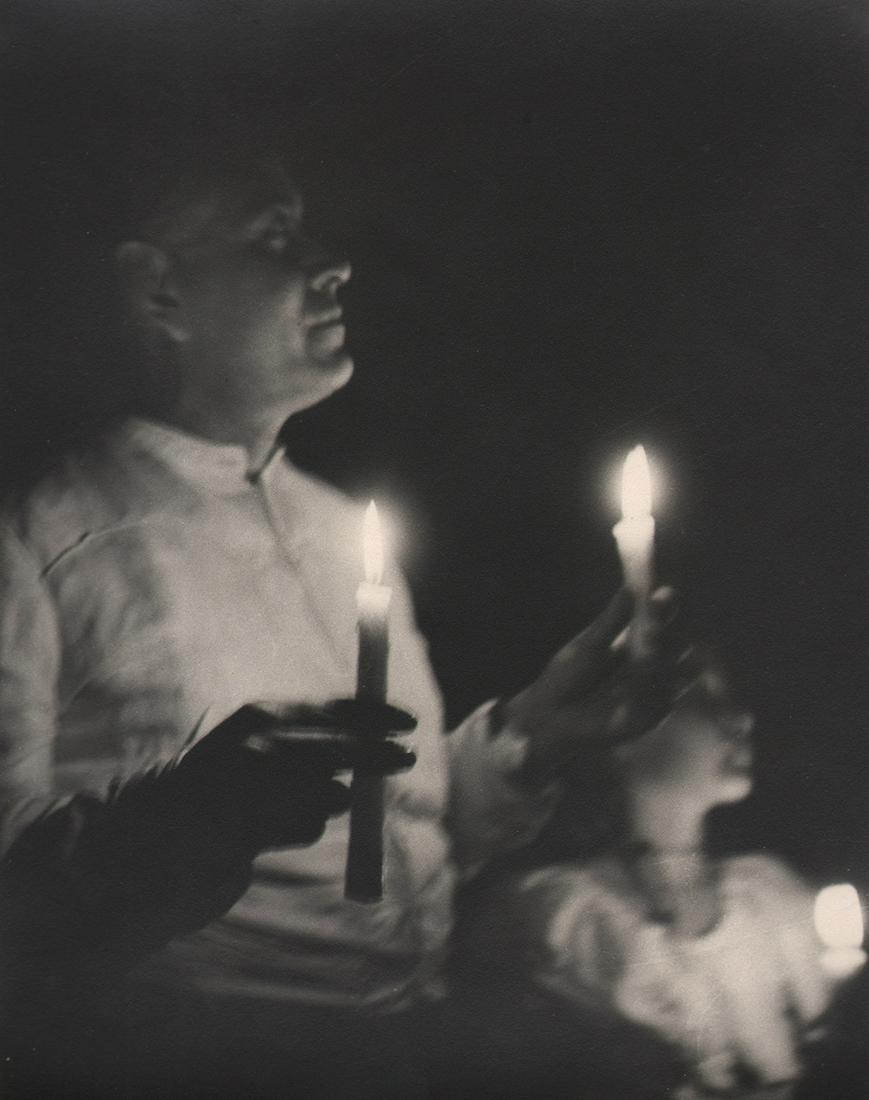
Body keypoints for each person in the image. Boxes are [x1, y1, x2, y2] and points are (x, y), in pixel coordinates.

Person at [1, 129, 685, 1097]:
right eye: (273, 237)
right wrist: (180, 824)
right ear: (159, 292)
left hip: (401, 1048)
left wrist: (532, 740)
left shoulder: (339, 533)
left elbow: (407, 829)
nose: (333, 264)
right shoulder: (40, 531)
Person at [458, 658, 833, 1099]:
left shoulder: (773, 892)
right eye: (705, 700)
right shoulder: (562, 915)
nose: (740, 719)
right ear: (618, 732)